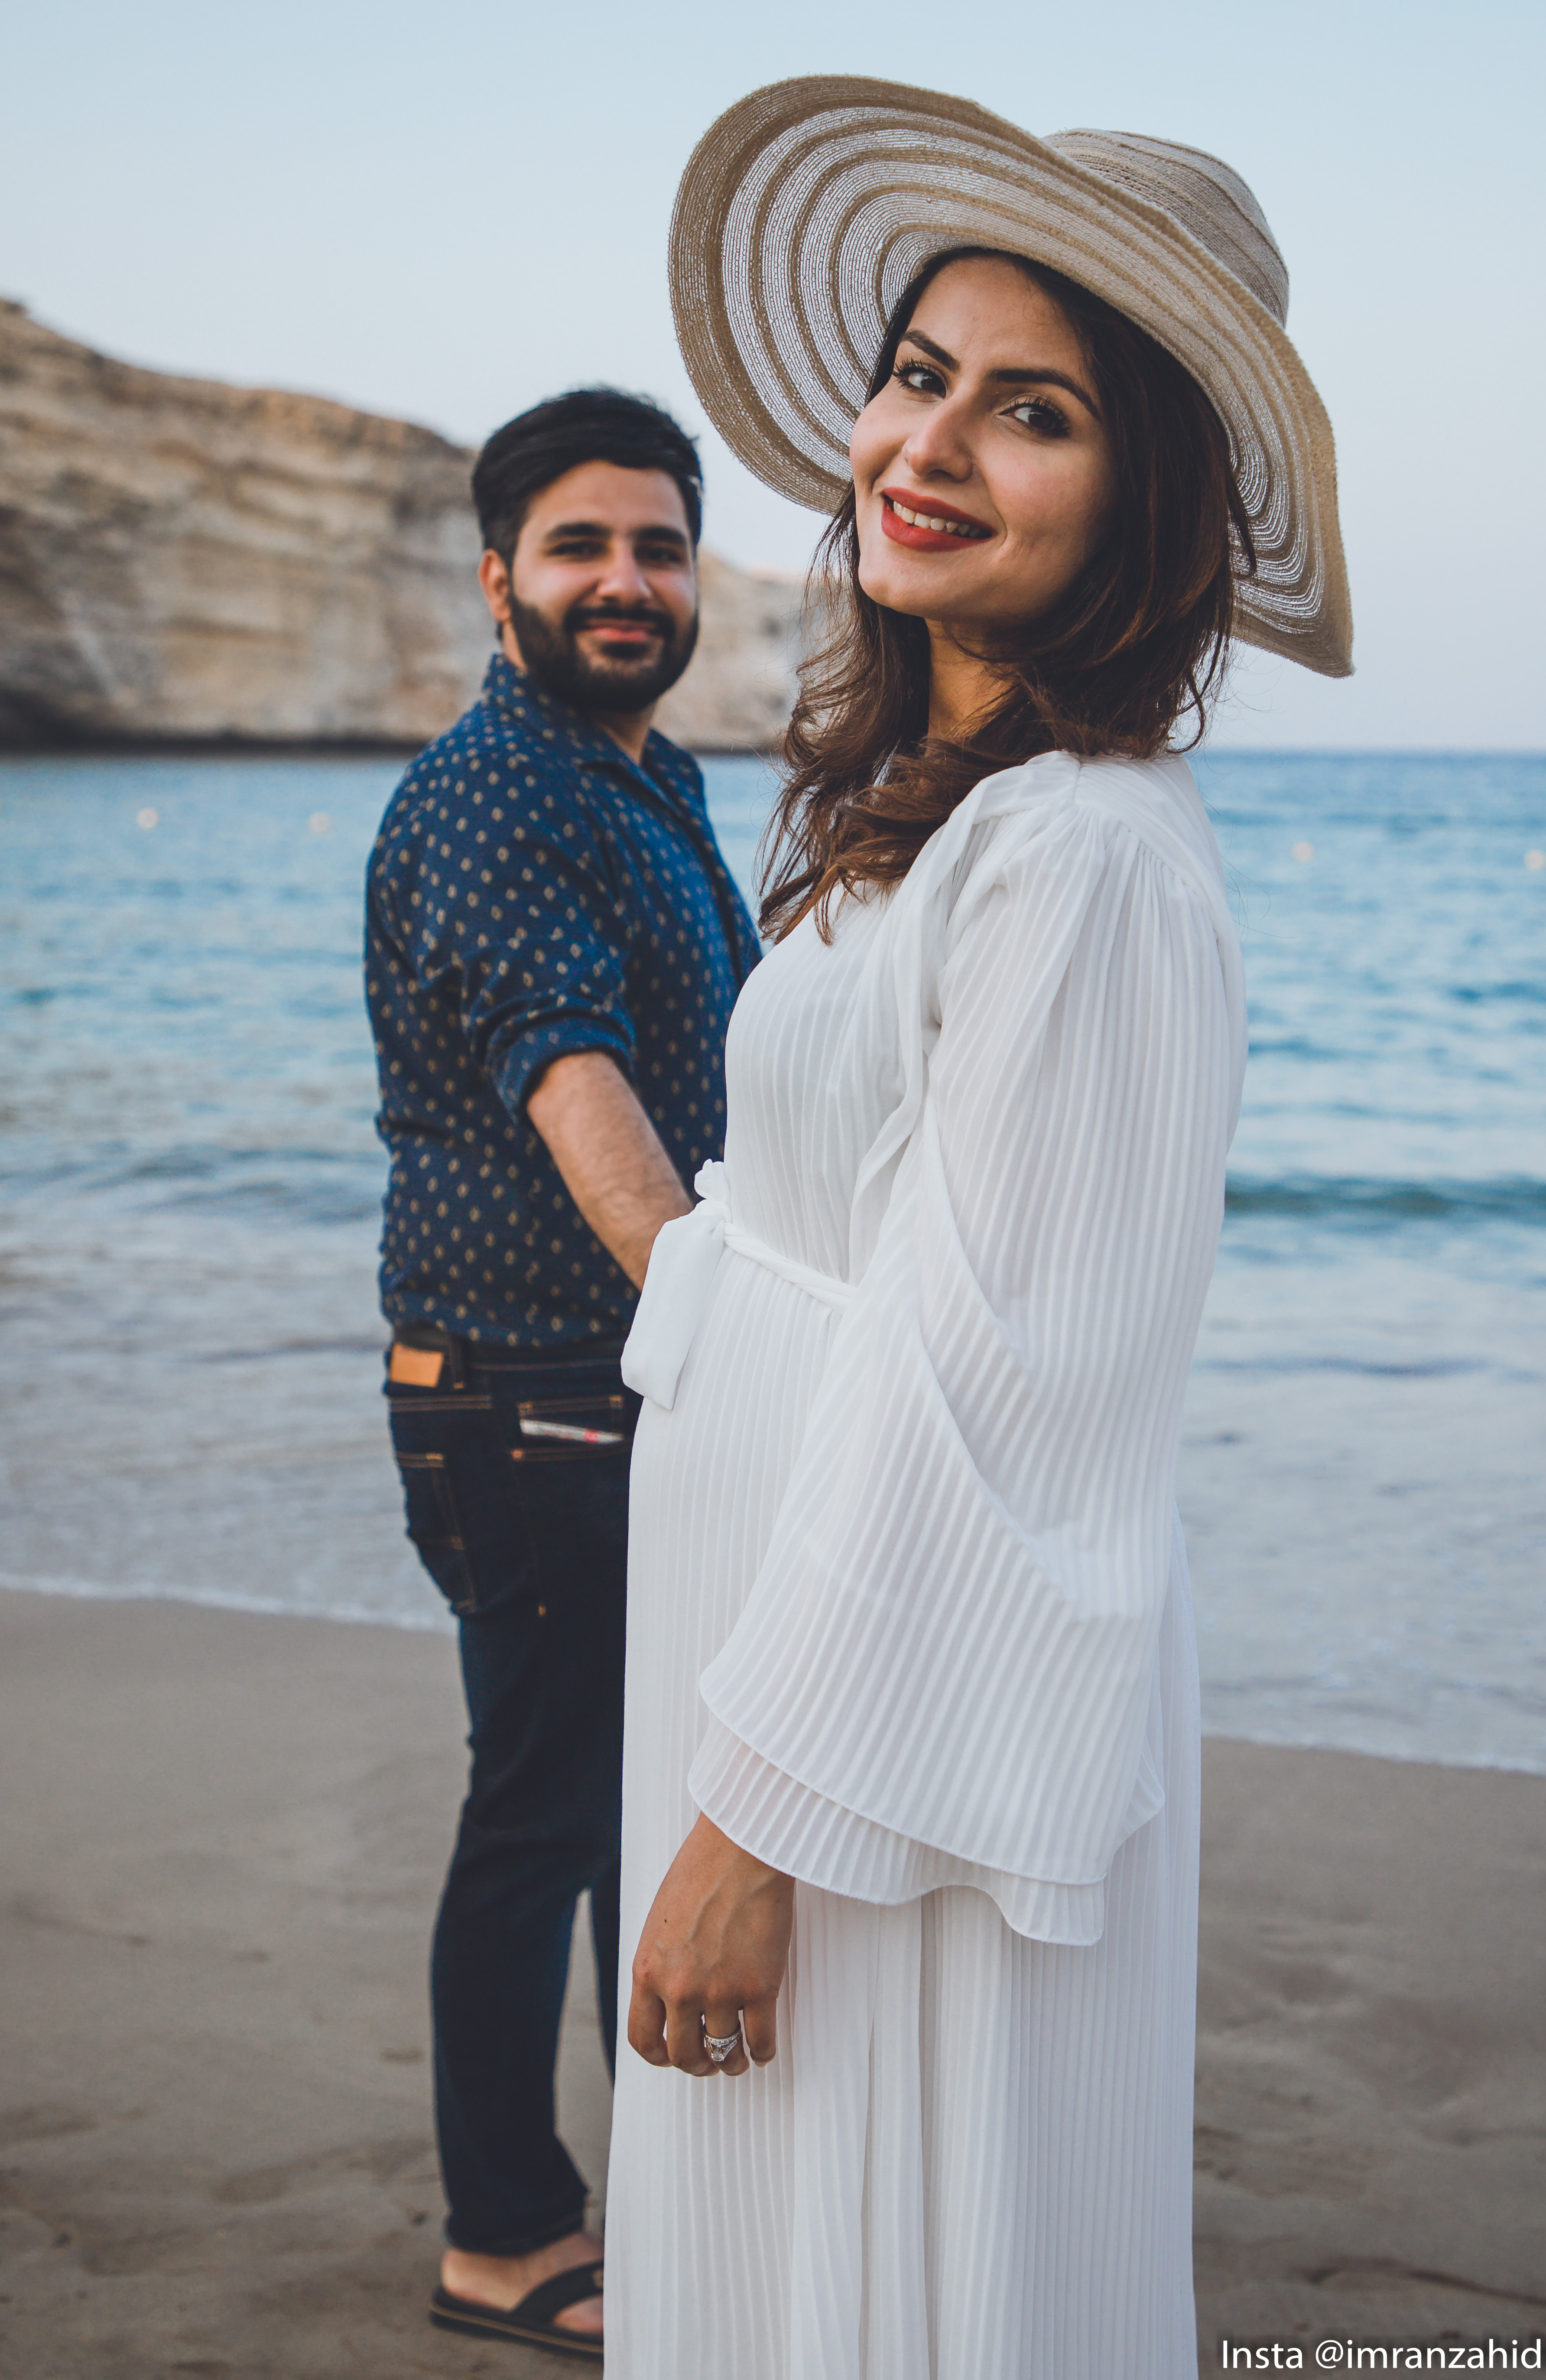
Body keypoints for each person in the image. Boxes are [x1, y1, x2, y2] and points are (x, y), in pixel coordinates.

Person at [607, 80, 1352, 2379]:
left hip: (882, 1735)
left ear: (1146, 496)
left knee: (894, 2276)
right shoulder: (922, 814)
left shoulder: (1085, 859)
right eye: (919, 375)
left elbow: (998, 1398)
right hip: (786, 1641)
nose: (927, 446)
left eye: (1033, 412)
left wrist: (756, 1825)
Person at [363, 386, 761, 2360]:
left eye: (659, 547)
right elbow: (582, 1098)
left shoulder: (644, 776)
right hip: (534, 1394)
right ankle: (506, 2235)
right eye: (581, 546)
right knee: (545, 1815)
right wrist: (744, 1343)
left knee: (619, 1814)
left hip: (612, 1384)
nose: (626, 581)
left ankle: (658, 2199)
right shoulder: (492, 792)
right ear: (498, 576)